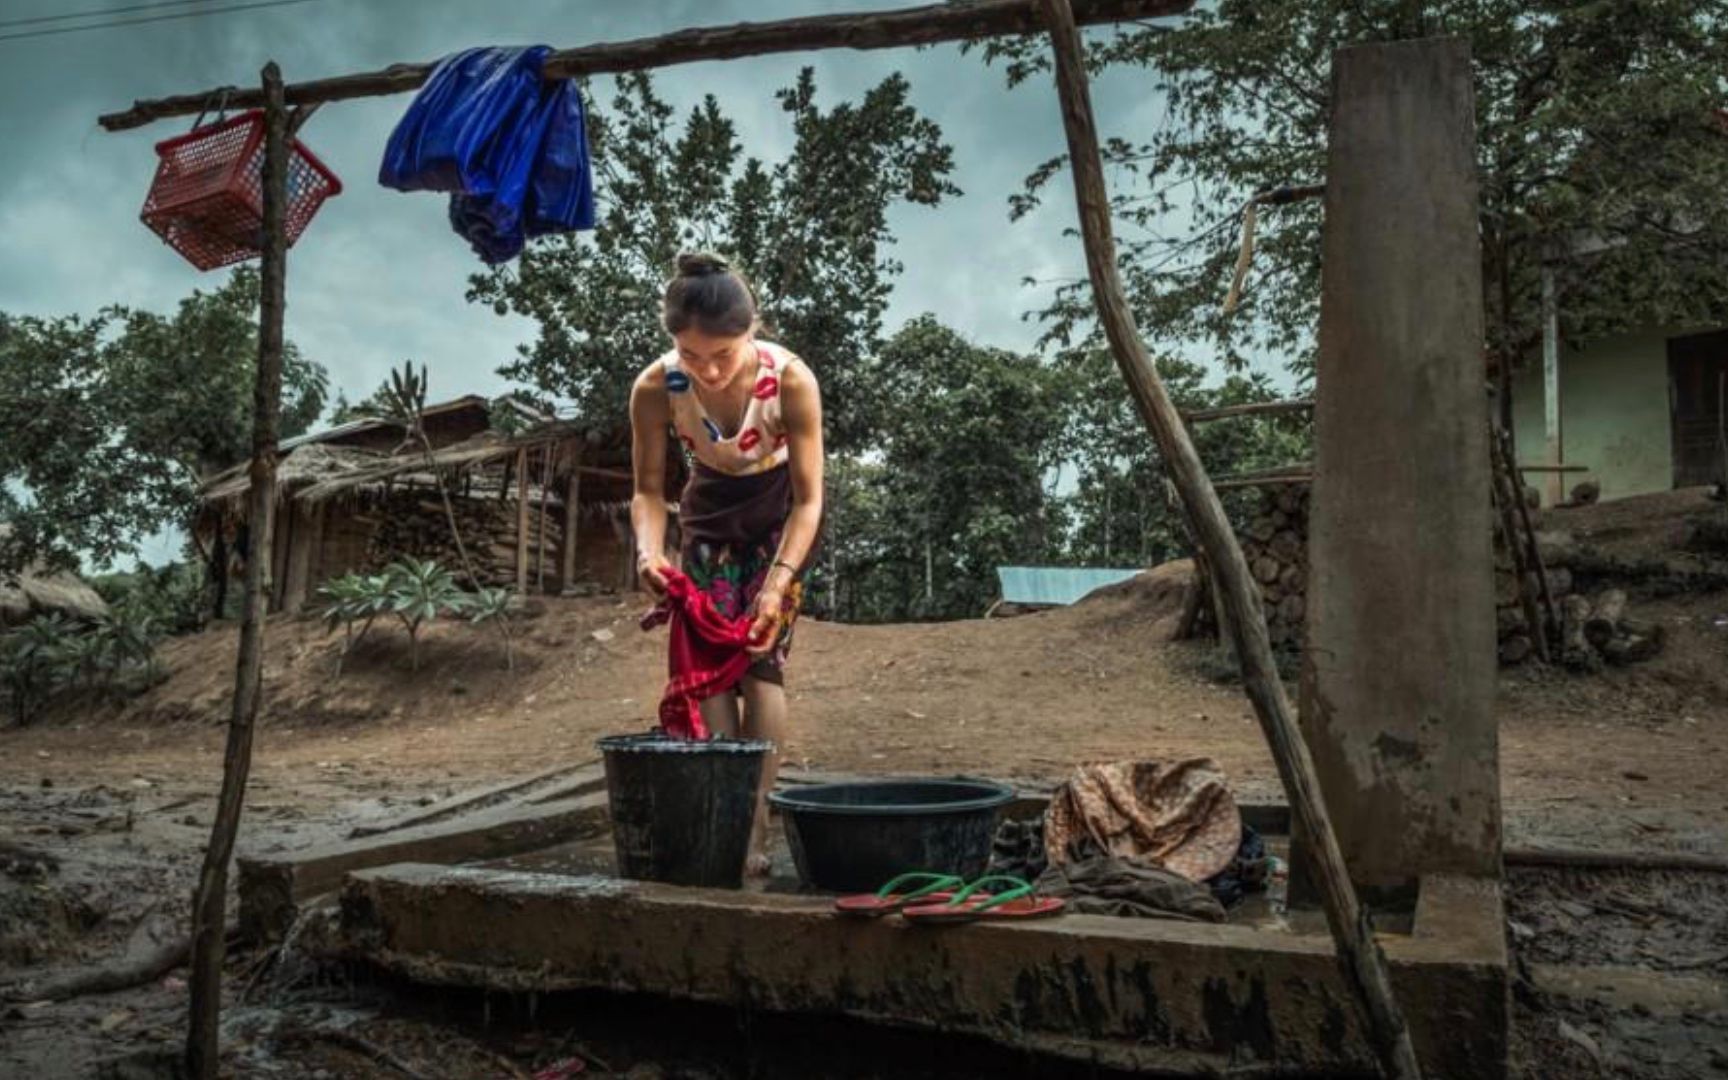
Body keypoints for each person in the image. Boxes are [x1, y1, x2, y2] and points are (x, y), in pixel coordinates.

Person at [629, 251, 825, 876]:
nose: (709, 371)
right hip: (708, 519)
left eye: (725, 354)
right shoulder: (656, 387)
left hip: (777, 521)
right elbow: (648, 491)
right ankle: (728, 809)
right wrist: (648, 550)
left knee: (761, 668)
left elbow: (810, 498)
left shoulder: (791, 380)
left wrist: (779, 583)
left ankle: (756, 829)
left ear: (753, 331)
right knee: (713, 671)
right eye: (692, 356)